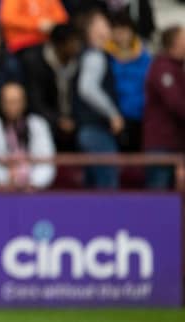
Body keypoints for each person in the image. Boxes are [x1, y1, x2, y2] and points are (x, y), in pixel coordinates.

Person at [75, 10, 124, 189]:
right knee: (107, 185)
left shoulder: (98, 54)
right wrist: (113, 113)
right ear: (92, 30)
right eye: (103, 24)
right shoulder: (94, 55)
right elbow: (87, 88)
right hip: (95, 128)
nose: (108, 28)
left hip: (92, 129)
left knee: (94, 186)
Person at [0, 81, 56, 190]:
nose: (12, 106)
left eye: (16, 101)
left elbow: (47, 161)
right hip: (0, 189)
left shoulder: (38, 124)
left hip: (33, 189)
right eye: (7, 102)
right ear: (1, 103)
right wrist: (6, 179)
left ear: (24, 102)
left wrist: (33, 182)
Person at [21, 23, 81, 152]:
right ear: (58, 45)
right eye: (72, 42)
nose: (76, 46)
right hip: (46, 120)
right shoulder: (35, 61)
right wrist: (58, 120)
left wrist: (74, 119)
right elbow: (35, 102)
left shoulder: (79, 61)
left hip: (74, 121)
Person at [143, 25, 185, 189]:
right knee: (158, 196)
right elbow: (175, 102)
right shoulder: (163, 67)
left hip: (174, 144)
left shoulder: (176, 68)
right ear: (174, 42)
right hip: (160, 144)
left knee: (174, 200)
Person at [105, 14, 151, 152]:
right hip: (116, 118)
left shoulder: (145, 56)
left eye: (124, 30)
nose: (121, 35)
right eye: (117, 31)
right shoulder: (104, 56)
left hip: (142, 117)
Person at [0, 0, 69, 54]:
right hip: (24, 43)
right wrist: (37, 24)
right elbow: (8, 18)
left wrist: (51, 23)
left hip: (49, 40)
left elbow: (62, 17)